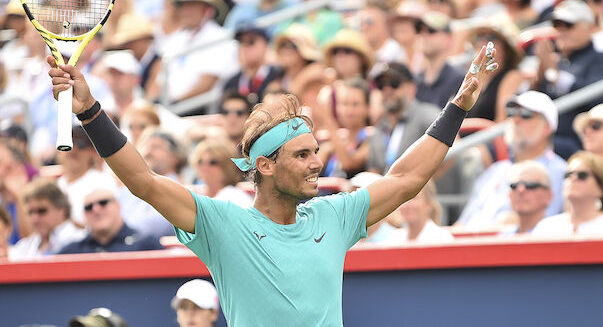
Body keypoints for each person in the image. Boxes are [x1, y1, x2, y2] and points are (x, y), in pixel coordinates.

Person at [47, 41, 497, 325]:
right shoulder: (221, 224)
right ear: (263, 165)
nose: (316, 164)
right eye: (302, 155)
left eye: (316, 152)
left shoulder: (334, 215)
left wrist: (458, 106)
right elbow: (143, 180)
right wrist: (89, 110)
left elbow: (407, 177)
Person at [456, 91, 567, 229]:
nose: (515, 120)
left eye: (526, 114)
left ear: (547, 127)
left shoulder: (560, 171)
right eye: (512, 112)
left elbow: (544, 227)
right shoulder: (496, 170)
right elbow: (462, 223)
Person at [533, 0, 603, 159]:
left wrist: (554, 74)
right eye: (558, 25)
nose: (562, 31)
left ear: (590, 28)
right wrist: (540, 74)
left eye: (569, 25)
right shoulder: (558, 62)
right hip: (548, 139)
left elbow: (596, 100)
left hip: (576, 143)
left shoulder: (599, 60)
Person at [366, 62, 441, 174]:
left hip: (428, 190)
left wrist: (420, 184)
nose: (387, 90)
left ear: (412, 87)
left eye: (394, 83)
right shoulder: (379, 128)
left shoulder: (426, 115)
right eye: (381, 85)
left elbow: (454, 148)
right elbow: (374, 170)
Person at [59, 187, 164, 254]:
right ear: (84, 215)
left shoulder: (146, 245)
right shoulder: (71, 252)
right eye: (89, 207)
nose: (96, 210)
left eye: (103, 203)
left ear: (118, 206)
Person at [532, 151, 603, 236]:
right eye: (568, 174)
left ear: (600, 187)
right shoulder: (546, 227)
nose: (572, 178)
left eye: (581, 175)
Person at [11, 179, 85, 259]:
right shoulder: (24, 246)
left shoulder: (81, 240)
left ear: (61, 210)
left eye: (42, 211)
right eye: (30, 212)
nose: (35, 218)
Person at [57, 126, 116, 226]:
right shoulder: (57, 185)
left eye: (81, 144)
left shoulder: (103, 181)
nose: (73, 149)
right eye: (68, 143)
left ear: (93, 151)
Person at [315, 78, 373, 178]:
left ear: (367, 107)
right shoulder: (331, 144)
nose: (349, 111)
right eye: (344, 104)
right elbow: (311, 172)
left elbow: (349, 164)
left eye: (355, 104)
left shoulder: (373, 137)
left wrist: (328, 119)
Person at [415, 11, 466, 110]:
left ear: (449, 39)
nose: (423, 35)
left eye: (431, 30)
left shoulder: (460, 79)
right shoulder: (416, 81)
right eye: (420, 31)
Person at [381, 180, 454, 244]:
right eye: (403, 198)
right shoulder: (394, 239)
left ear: (429, 204)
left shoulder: (442, 239)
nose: (407, 204)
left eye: (414, 198)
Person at [223, 26, 280, 105]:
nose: (245, 47)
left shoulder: (278, 75)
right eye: (241, 42)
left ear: (265, 45)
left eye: (251, 42)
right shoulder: (231, 84)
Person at [190, 140, 253, 207]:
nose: (204, 167)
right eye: (200, 161)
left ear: (227, 166)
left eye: (213, 162)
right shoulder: (193, 193)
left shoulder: (236, 198)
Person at [501, 160, 552, 234]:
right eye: (514, 186)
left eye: (530, 185)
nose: (520, 190)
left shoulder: (557, 235)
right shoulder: (502, 237)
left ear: (549, 195)